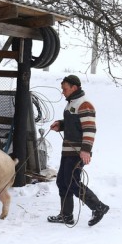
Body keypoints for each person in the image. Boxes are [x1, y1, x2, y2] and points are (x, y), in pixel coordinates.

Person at [47, 75, 109, 226]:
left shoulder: (84, 104)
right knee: (62, 181)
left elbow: (89, 129)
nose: (63, 92)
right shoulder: (71, 103)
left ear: (74, 87)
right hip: (68, 151)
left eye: (65, 89)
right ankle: (66, 215)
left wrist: (86, 150)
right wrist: (60, 125)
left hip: (77, 151)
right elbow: (74, 124)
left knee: (72, 182)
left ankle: (98, 206)